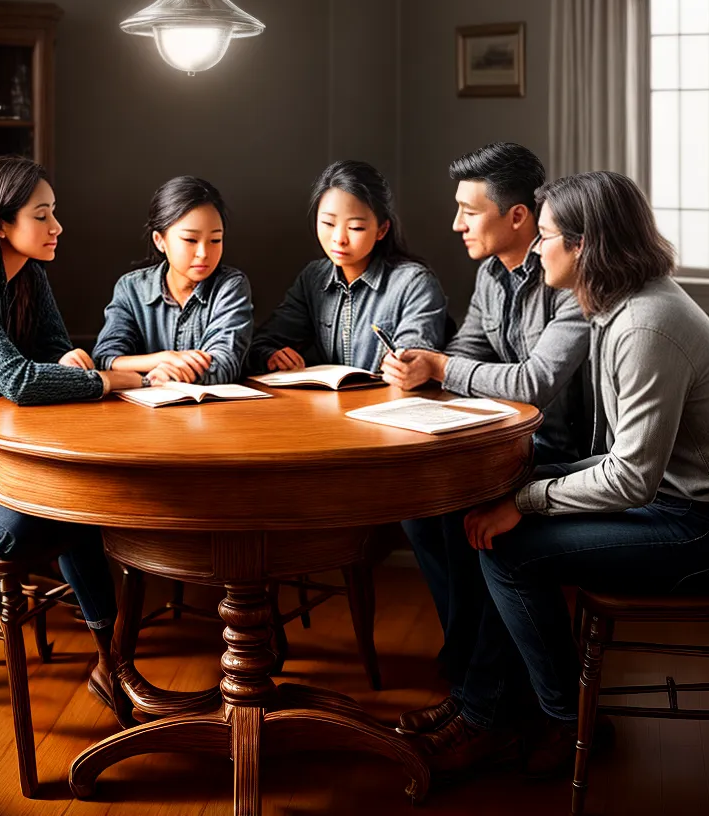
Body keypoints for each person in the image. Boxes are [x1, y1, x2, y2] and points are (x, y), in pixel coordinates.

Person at [421, 171, 709, 777]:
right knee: (486, 510)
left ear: (583, 247)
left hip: (702, 531)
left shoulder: (644, 325)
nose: (538, 249)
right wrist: (521, 493)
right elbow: (623, 460)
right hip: (671, 504)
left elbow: (631, 478)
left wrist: (525, 499)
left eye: (547, 236)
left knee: (507, 551)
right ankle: (486, 707)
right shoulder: (621, 305)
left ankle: (563, 719)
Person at [0, 156, 141, 708]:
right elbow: (18, 380)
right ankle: (115, 661)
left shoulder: (28, 275)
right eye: (43, 216)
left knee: (81, 506)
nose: (57, 227)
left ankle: (113, 665)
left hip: (6, 458)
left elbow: (51, 351)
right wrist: (108, 380)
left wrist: (70, 358)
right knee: (47, 520)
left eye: (54, 213)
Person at [383, 143, 591, 736]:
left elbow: (537, 383)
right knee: (423, 514)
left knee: (470, 521)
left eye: (469, 211)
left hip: (559, 452)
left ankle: (481, 701)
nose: (456, 223)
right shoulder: (490, 273)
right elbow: (470, 349)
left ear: (518, 216)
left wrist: (443, 370)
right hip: (500, 440)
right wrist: (424, 363)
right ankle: (476, 673)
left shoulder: (569, 276)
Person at [248, 159, 446, 373]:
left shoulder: (413, 283)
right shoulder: (313, 278)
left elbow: (417, 356)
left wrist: (407, 368)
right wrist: (272, 356)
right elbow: (263, 343)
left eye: (356, 227)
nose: (339, 238)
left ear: (382, 230)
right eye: (328, 224)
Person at [92, 176, 253, 384]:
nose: (203, 253)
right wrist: (163, 358)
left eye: (215, 240)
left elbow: (223, 365)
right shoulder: (131, 288)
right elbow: (106, 358)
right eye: (190, 240)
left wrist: (163, 375)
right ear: (160, 241)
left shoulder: (230, 286)